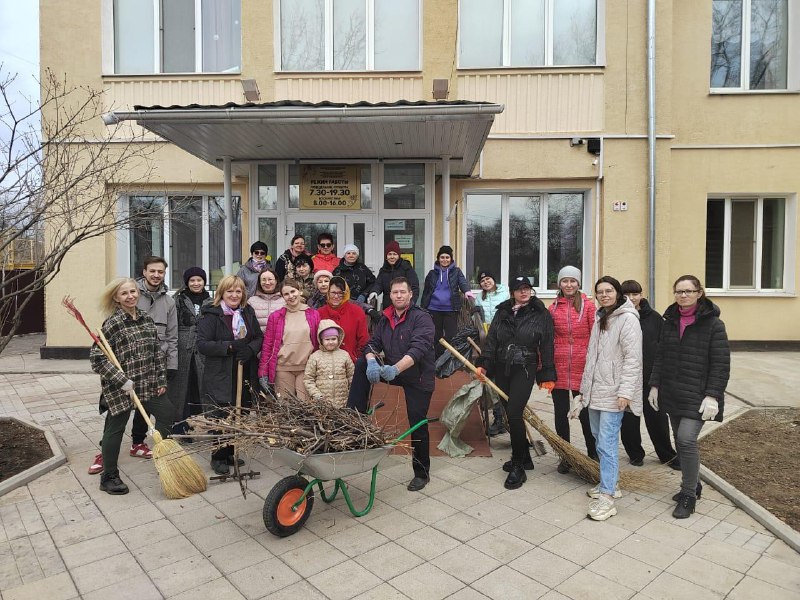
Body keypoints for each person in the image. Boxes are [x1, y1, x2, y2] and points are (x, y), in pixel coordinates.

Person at [649, 275, 730, 519]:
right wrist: (654, 385)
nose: (683, 296)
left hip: (698, 395)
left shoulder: (714, 325)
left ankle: (688, 495)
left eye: (688, 291)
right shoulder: (670, 321)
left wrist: (713, 395)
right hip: (673, 392)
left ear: (699, 293)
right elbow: (660, 355)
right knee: (679, 439)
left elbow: (720, 364)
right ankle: (694, 484)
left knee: (685, 440)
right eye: (679, 291)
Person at [347, 277, 436, 492]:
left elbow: (418, 349)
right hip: (393, 370)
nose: (398, 295)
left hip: (418, 376)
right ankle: (353, 416)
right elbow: (371, 344)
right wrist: (370, 362)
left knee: (417, 421)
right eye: (395, 292)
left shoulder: (422, 318)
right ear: (390, 295)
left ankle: (421, 473)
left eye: (402, 292)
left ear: (410, 294)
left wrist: (395, 368)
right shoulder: (385, 318)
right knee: (361, 364)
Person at [89, 278, 172, 494]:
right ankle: (109, 476)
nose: (130, 296)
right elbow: (97, 358)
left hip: (146, 383)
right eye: (124, 293)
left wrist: (161, 380)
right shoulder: (113, 323)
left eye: (133, 292)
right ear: (116, 298)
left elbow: (156, 352)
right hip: (121, 387)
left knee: (168, 414)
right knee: (115, 429)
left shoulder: (145, 319)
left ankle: (162, 457)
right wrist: (120, 380)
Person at [475, 276, 556, 490]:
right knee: (507, 410)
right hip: (502, 367)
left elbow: (547, 345)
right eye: (519, 289)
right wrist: (484, 363)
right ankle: (524, 456)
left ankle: (518, 465)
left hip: (525, 367)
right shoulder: (503, 312)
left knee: (514, 412)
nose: (524, 292)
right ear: (512, 292)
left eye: (527, 288)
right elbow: (492, 340)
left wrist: (547, 374)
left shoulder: (541, 314)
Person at [572, 276, 642, 521]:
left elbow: (633, 360)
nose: (604, 295)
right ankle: (611, 483)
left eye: (609, 291)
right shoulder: (600, 317)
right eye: (600, 291)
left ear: (618, 293)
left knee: (607, 444)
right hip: (595, 392)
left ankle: (608, 498)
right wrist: (583, 391)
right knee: (597, 439)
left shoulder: (628, 319)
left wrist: (625, 392)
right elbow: (591, 357)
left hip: (614, 393)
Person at [195, 275, 263, 475]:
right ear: (222, 293)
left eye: (238, 291)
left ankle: (232, 451)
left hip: (243, 371)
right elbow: (202, 344)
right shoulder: (212, 315)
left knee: (239, 412)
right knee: (221, 415)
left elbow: (259, 336)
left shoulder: (247, 312)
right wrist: (230, 346)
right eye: (230, 291)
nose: (234, 295)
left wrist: (250, 349)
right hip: (220, 374)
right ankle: (218, 456)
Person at [619, 279, 678, 468]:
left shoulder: (654, 318)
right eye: (626, 295)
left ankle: (666, 454)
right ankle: (635, 454)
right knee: (629, 420)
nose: (631, 298)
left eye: (635, 294)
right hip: (627, 378)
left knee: (658, 419)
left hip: (650, 378)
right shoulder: (617, 316)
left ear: (641, 295)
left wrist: (661, 378)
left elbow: (664, 347)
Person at [548, 266, 598, 473]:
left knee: (586, 413)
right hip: (559, 366)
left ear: (578, 283)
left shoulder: (588, 306)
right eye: (565, 281)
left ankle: (592, 453)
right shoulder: (552, 308)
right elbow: (548, 338)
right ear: (559, 283)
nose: (569, 285)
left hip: (583, 366)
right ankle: (565, 455)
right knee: (560, 414)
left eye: (573, 281)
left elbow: (596, 336)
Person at [132, 256, 177, 459]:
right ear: (144, 272)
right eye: (153, 271)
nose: (156, 275)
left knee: (156, 404)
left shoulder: (168, 301)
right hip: (133, 361)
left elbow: (172, 336)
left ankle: (156, 442)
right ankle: (135, 441)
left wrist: (172, 364)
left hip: (158, 362)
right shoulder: (132, 295)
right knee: (133, 403)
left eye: (161, 272)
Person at [258, 279, 321, 402]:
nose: (291, 296)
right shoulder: (276, 317)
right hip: (283, 368)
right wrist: (263, 372)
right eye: (286, 294)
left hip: (306, 368)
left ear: (300, 291)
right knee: (286, 409)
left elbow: (318, 343)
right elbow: (268, 346)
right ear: (282, 297)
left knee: (306, 407)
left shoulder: (313, 314)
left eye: (293, 291)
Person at [170, 267, 210, 436]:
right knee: (182, 389)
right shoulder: (178, 300)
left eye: (199, 280)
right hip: (182, 350)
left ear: (204, 281)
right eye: (192, 280)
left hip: (204, 351)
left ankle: (209, 425)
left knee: (203, 388)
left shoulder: (211, 301)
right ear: (187, 282)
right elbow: (173, 325)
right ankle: (181, 427)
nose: (196, 283)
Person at [421, 245, 474, 359]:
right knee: (436, 335)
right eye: (442, 257)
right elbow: (426, 291)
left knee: (451, 335)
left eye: (447, 257)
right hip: (434, 308)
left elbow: (463, 282)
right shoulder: (432, 273)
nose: (445, 260)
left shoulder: (456, 271)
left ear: (451, 259)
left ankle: (444, 355)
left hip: (451, 308)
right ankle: (438, 359)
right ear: (438, 258)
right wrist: (423, 307)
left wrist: (467, 291)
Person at [473, 271, 509, 436]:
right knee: (491, 379)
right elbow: (479, 321)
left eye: (488, 279)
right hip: (489, 341)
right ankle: (499, 418)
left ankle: (509, 418)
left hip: (506, 340)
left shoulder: (506, 292)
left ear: (495, 280)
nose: (486, 282)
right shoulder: (480, 297)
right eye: (482, 280)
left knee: (504, 379)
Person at [303, 320, 355, 407]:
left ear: (338, 339)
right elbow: (308, 379)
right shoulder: (315, 356)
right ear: (321, 340)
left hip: (342, 402)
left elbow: (351, 376)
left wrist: (351, 394)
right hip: (322, 404)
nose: (330, 342)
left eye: (333, 339)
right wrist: (317, 395)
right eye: (327, 339)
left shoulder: (344, 355)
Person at [318, 276, 369, 364]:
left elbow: (363, 339)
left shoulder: (357, 311)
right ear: (328, 293)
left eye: (340, 293)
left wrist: (356, 357)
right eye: (333, 292)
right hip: (325, 364)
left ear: (346, 293)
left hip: (350, 362)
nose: (336, 296)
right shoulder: (319, 313)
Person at [368, 241, 420, 310]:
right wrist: (374, 292)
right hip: (388, 307)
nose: (392, 257)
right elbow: (378, 284)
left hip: (404, 307)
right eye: (389, 254)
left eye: (394, 254)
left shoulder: (406, 268)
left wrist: (410, 303)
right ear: (386, 256)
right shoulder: (383, 270)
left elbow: (414, 287)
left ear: (398, 255)